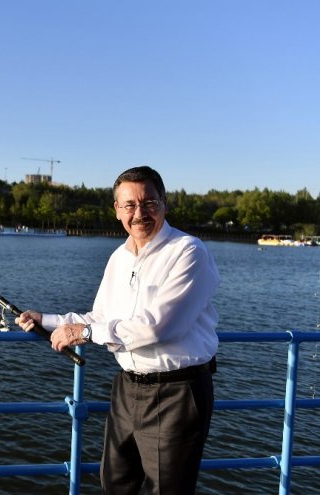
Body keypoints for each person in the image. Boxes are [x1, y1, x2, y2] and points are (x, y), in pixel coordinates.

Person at [16, 166, 219, 495]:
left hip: (177, 392)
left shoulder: (188, 252)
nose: (139, 213)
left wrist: (83, 333)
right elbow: (98, 316)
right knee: (115, 482)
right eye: (129, 205)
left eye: (148, 203)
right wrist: (47, 320)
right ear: (117, 211)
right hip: (127, 388)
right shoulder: (119, 258)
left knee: (167, 489)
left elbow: (160, 327)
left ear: (164, 204)